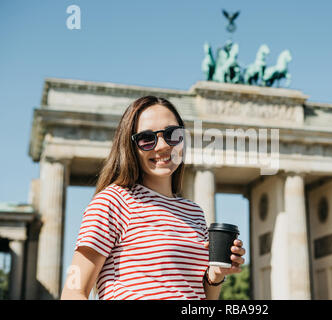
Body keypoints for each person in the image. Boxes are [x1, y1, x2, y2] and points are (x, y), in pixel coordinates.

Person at [60, 96, 246, 300]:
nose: (162, 146)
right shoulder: (112, 202)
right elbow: (73, 291)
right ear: (130, 146)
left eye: (172, 134)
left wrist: (216, 275)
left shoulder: (194, 213)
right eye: (147, 138)